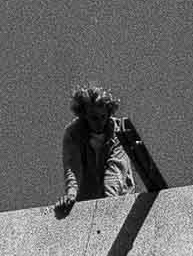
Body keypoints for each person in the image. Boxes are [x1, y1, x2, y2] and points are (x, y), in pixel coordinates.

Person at [57, 83, 139, 213]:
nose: (100, 122)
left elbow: (117, 167)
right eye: (94, 118)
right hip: (88, 201)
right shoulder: (73, 133)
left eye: (103, 117)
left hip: (119, 198)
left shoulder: (118, 130)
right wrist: (71, 194)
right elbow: (72, 166)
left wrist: (108, 202)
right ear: (84, 116)